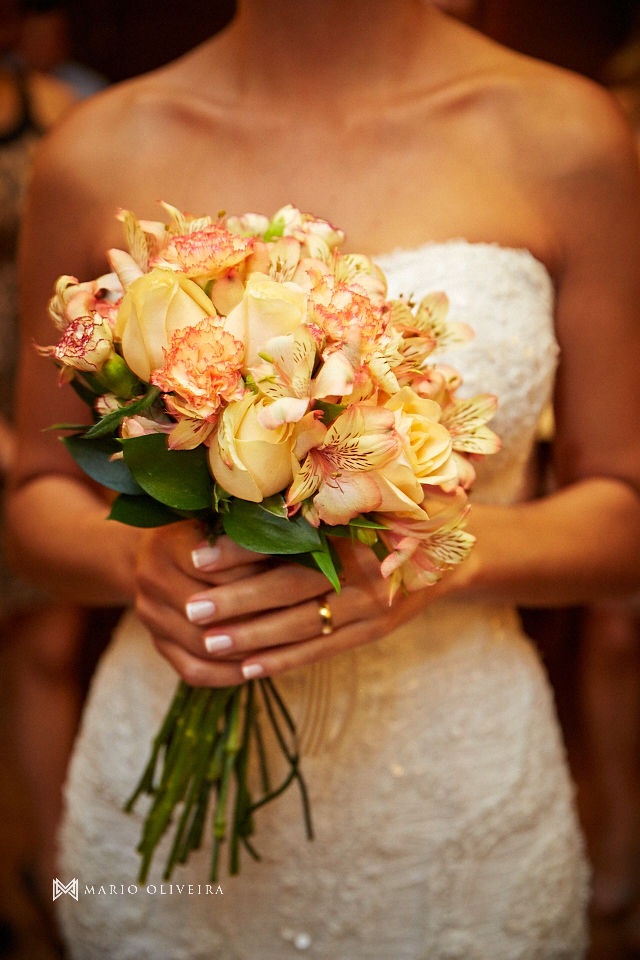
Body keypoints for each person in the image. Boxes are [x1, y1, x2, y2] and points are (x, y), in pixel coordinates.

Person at [6, 1, 640, 956]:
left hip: (452, 798)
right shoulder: (97, 149)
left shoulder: (564, 135)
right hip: (166, 788)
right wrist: (137, 559)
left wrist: (432, 555)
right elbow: (34, 500)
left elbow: (622, 508)